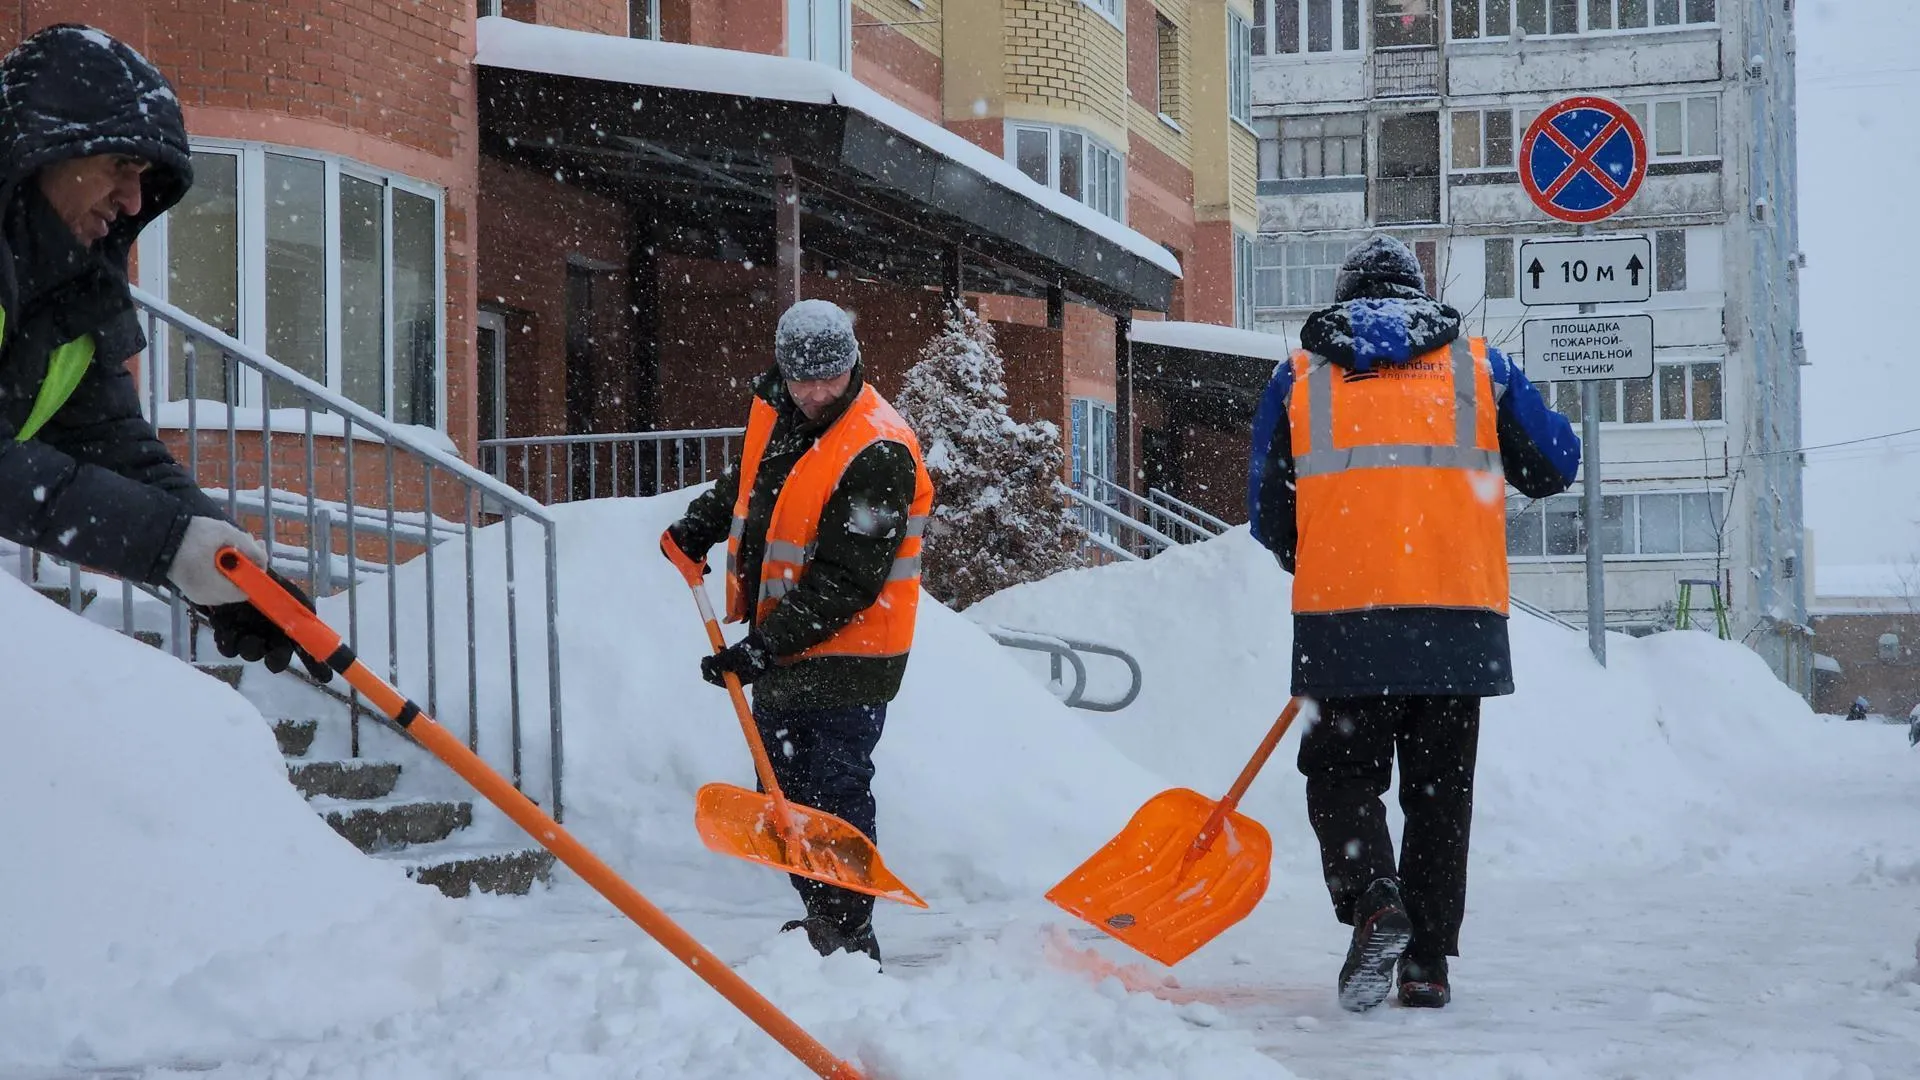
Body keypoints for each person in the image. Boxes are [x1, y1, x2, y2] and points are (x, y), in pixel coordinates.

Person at [1248, 236, 1580, 1012]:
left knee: (1340, 776)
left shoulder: (1298, 375)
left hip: (1343, 616)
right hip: (1457, 618)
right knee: (1438, 794)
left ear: (1343, 297)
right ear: (1418, 294)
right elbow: (1553, 464)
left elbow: (1266, 508)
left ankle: (1374, 898)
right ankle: (1426, 961)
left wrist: (1312, 546)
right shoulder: (1479, 367)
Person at [0, 25, 327, 682]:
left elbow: (119, 447)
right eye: (122, 167)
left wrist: (244, 578)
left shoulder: (68, 302)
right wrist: (166, 544)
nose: (133, 201)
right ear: (44, 151)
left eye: (145, 179)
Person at [660, 298, 932, 964]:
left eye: (828, 379)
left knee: (833, 791)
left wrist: (761, 647)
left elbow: (849, 578)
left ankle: (849, 930)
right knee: (784, 793)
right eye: (802, 379)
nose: (814, 394)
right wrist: (700, 524)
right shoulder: (781, 410)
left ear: (853, 364)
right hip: (784, 645)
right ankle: (821, 919)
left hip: (852, 653)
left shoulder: (880, 450)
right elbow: (751, 483)